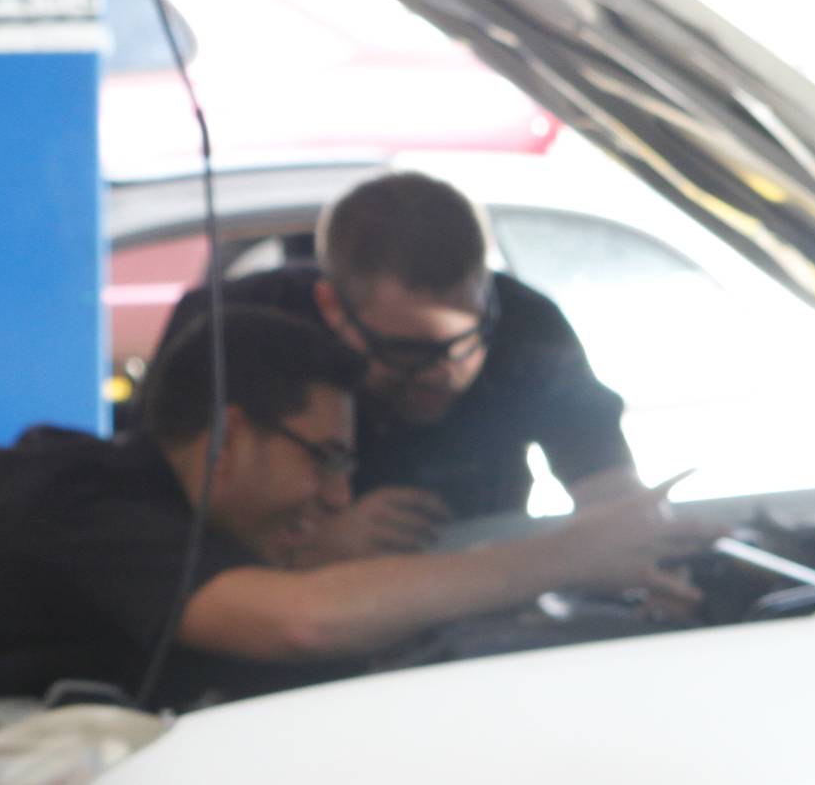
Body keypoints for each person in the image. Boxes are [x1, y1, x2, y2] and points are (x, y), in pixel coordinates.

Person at [0, 307, 717, 784]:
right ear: (231, 432)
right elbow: (291, 623)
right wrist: (567, 554)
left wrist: (314, 538)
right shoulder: (83, 508)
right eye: (321, 459)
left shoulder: (112, 498)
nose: (338, 489)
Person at [156, 170, 644, 564]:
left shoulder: (526, 327)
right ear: (330, 306)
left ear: (487, 295)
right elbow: (154, 529)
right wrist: (312, 545)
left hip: (480, 594)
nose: (439, 374)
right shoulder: (234, 336)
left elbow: (610, 491)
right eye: (406, 354)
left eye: (464, 344)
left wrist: (634, 552)